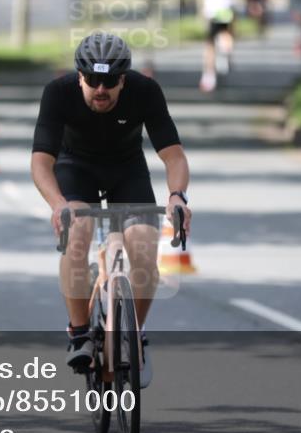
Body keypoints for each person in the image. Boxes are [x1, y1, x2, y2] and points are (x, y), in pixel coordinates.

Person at [31, 32, 192, 388]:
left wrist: (177, 195)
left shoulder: (145, 91)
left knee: (145, 249)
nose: (100, 89)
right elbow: (41, 162)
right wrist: (58, 205)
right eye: (92, 80)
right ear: (79, 76)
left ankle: (134, 334)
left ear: (123, 79)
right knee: (78, 232)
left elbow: (173, 154)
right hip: (76, 170)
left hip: (126, 170)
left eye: (108, 82)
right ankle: (79, 334)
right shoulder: (58, 93)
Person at [200, 0, 238, 92]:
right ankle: (226, 52)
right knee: (226, 33)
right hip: (225, 10)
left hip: (213, 12)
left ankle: (209, 75)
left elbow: (205, 14)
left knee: (210, 44)